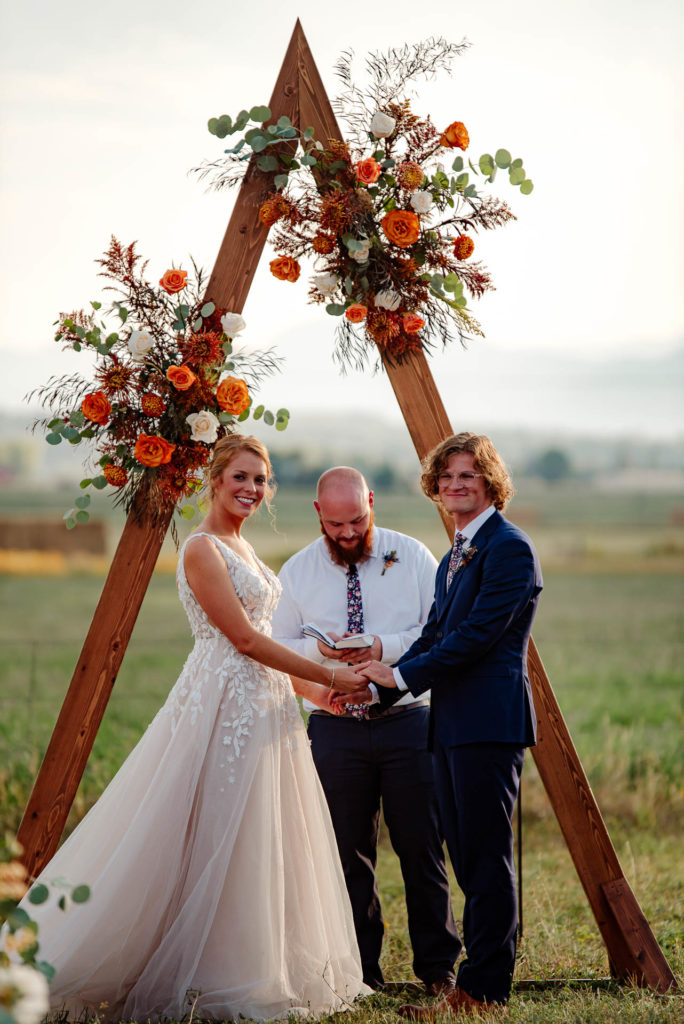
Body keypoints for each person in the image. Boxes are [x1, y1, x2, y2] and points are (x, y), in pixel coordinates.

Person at [19, 434, 371, 1022]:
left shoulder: (244, 547)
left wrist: (312, 692)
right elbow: (244, 639)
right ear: (214, 477)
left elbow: (266, 646)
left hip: (264, 703)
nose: (251, 490)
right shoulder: (203, 549)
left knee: (261, 834)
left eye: (260, 480)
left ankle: (252, 966)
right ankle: (192, 972)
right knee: (210, 830)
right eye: (240, 477)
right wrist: (327, 670)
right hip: (221, 702)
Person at [335, 433, 543, 1017]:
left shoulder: (509, 549)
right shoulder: (457, 550)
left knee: (484, 858)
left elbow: (475, 640)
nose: (457, 483)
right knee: (466, 853)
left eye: (469, 474)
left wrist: (399, 681)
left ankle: (482, 991)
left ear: (490, 482)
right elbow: (435, 635)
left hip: (487, 724)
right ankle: (475, 983)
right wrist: (385, 674)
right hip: (450, 723)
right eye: (447, 474)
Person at [272, 467, 461, 994]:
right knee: (346, 852)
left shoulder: (415, 557)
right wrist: (324, 656)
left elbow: (436, 631)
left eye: (357, 519)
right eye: (336, 524)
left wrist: (378, 646)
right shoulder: (297, 572)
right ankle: (361, 974)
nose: (348, 533)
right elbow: (278, 648)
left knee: (422, 848)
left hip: (408, 721)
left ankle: (439, 971)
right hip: (333, 728)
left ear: (372, 502)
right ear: (318, 515)